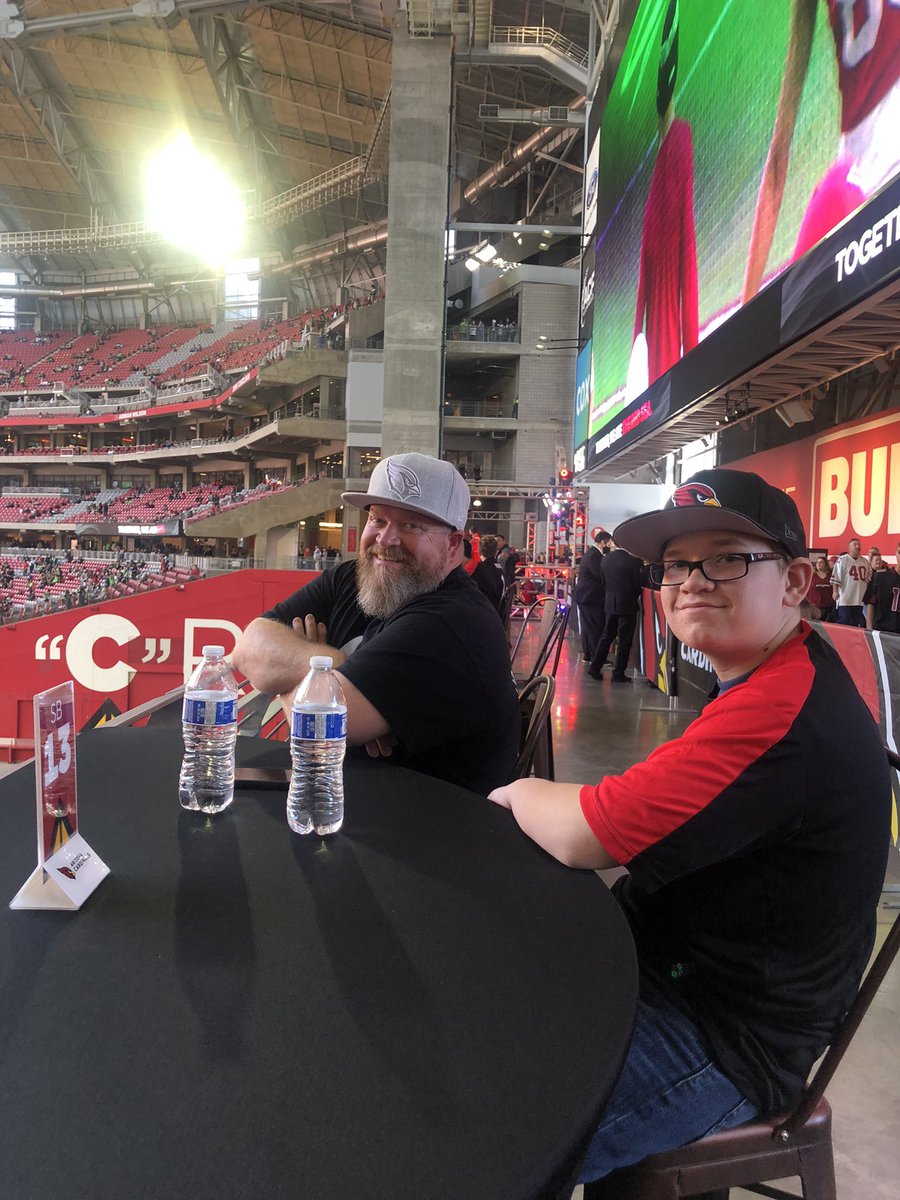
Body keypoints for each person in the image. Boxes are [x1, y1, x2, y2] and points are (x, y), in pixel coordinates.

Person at [489, 468, 890, 1184]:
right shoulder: (774, 670)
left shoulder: (780, 708)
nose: (692, 581)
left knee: (478, 1131)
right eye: (675, 565)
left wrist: (518, 790)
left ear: (796, 582)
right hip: (676, 976)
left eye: (728, 557)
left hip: (725, 1037)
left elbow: (590, 832)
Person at [233, 452, 519, 795]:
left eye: (412, 525)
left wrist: (288, 675)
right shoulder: (351, 579)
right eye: (378, 520)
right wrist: (337, 667)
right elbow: (249, 646)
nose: (385, 540)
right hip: (355, 800)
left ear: (454, 545)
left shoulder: (452, 623)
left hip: (428, 832)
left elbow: (316, 725)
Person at [742, 0, 900, 301]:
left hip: (855, 182)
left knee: (794, 319)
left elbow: (778, 160)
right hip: (862, 184)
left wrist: (746, 314)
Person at [631, 0, 699, 387]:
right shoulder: (676, 142)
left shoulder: (676, 143)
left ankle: (680, 362)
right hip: (664, 238)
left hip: (662, 237)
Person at [587, 540, 645, 682]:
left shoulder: (605, 559)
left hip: (610, 603)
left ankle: (595, 667)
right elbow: (638, 584)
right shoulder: (634, 561)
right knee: (625, 641)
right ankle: (618, 673)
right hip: (627, 605)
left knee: (606, 636)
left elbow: (603, 581)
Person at [573, 530, 609, 663]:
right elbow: (600, 575)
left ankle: (589, 654)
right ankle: (596, 657)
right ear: (602, 542)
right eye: (609, 544)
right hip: (590, 596)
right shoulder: (595, 556)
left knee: (588, 626)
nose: (609, 547)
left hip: (585, 596)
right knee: (595, 626)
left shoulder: (590, 553)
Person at [831, 536, 870, 626]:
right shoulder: (842, 559)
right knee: (844, 622)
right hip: (845, 599)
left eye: (859, 545)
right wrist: (835, 591)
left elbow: (868, 578)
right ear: (849, 548)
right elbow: (836, 576)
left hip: (859, 599)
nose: (857, 546)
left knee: (855, 624)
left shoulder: (865, 562)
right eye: (855, 545)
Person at [470, 534, 504, 613]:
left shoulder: (480, 569)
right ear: (496, 551)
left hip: (486, 612)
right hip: (497, 610)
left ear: (478, 550)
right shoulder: (498, 567)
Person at [804, 553, 834, 620]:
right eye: (817, 562)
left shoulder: (830, 575)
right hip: (814, 605)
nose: (818, 564)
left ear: (826, 564)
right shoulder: (812, 575)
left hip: (828, 605)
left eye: (821, 562)